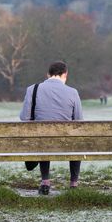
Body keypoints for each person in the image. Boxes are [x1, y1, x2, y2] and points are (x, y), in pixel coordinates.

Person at [19, 61, 83, 195]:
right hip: (66, 142)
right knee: (76, 141)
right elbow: (78, 121)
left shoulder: (33, 89)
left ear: (48, 74)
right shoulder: (73, 92)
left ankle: (45, 182)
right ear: (65, 74)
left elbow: (24, 117)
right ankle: (73, 183)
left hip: (42, 141)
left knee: (43, 137)